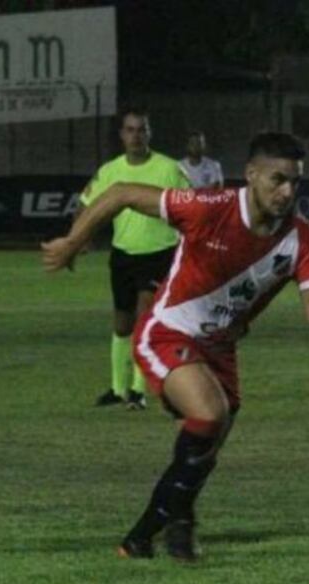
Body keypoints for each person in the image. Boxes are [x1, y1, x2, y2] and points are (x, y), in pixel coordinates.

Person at [43, 132, 309, 561]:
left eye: (296, 182)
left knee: (203, 451)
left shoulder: (302, 238)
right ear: (251, 175)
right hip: (168, 330)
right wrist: (73, 241)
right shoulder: (211, 207)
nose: (287, 192)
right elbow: (119, 193)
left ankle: (161, 531)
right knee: (210, 414)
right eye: (277, 180)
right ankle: (161, 532)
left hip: (220, 349)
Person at [77, 107, 189, 411]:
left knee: (144, 320)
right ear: (122, 135)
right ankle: (117, 389)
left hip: (159, 253)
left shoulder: (170, 169)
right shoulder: (111, 171)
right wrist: (81, 236)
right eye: (130, 130)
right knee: (121, 324)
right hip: (123, 254)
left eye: (141, 129)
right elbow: (86, 204)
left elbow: (192, 209)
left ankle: (139, 392)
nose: (136, 135)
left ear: (149, 133)